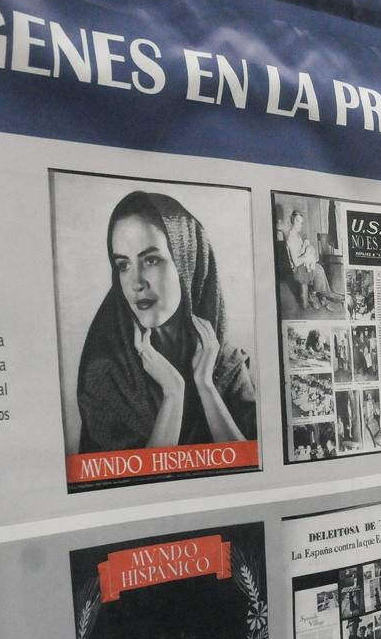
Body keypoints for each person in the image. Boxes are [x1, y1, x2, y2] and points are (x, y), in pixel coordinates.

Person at [76, 191, 256, 452]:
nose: (136, 283)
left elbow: (252, 472)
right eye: (123, 265)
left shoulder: (226, 362)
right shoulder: (106, 372)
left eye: (151, 260)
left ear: (187, 263)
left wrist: (206, 386)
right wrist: (173, 394)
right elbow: (130, 490)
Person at [282, 208, 341, 310]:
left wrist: (305, 247)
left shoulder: (297, 236)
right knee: (319, 270)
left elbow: (301, 253)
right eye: (297, 221)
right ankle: (322, 296)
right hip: (298, 270)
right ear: (292, 220)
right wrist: (307, 254)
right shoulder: (291, 238)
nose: (300, 225)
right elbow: (296, 262)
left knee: (319, 268)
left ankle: (320, 296)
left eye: (301, 222)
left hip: (304, 265)